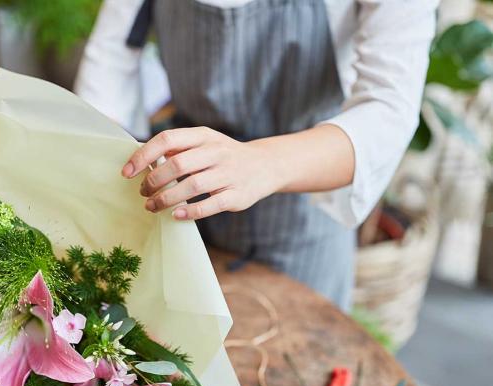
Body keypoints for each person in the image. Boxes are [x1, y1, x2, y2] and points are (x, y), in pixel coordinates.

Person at [75, 0, 438, 310]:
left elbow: (389, 107)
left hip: (302, 220)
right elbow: (111, 59)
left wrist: (260, 162)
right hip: (178, 207)